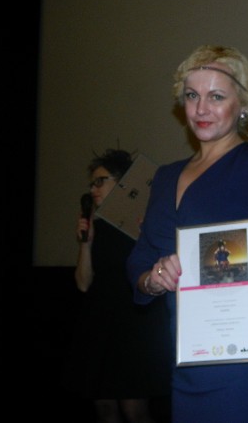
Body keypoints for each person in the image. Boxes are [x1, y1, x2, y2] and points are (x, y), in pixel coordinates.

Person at [126, 45, 248, 422]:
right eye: (192, 95)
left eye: (216, 96)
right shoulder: (165, 177)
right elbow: (140, 261)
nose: (201, 108)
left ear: (243, 105)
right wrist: (153, 279)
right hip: (189, 357)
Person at [61, 148, 172, 423]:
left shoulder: (146, 224)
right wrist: (86, 244)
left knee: (134, 407)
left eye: (101, 181)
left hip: (134, 323)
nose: (93, 189)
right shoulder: (96, 229)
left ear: (123, 183)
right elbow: (83, 284)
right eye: (91, 184)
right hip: (100, 323)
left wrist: (149, 233)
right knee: (104, 406)